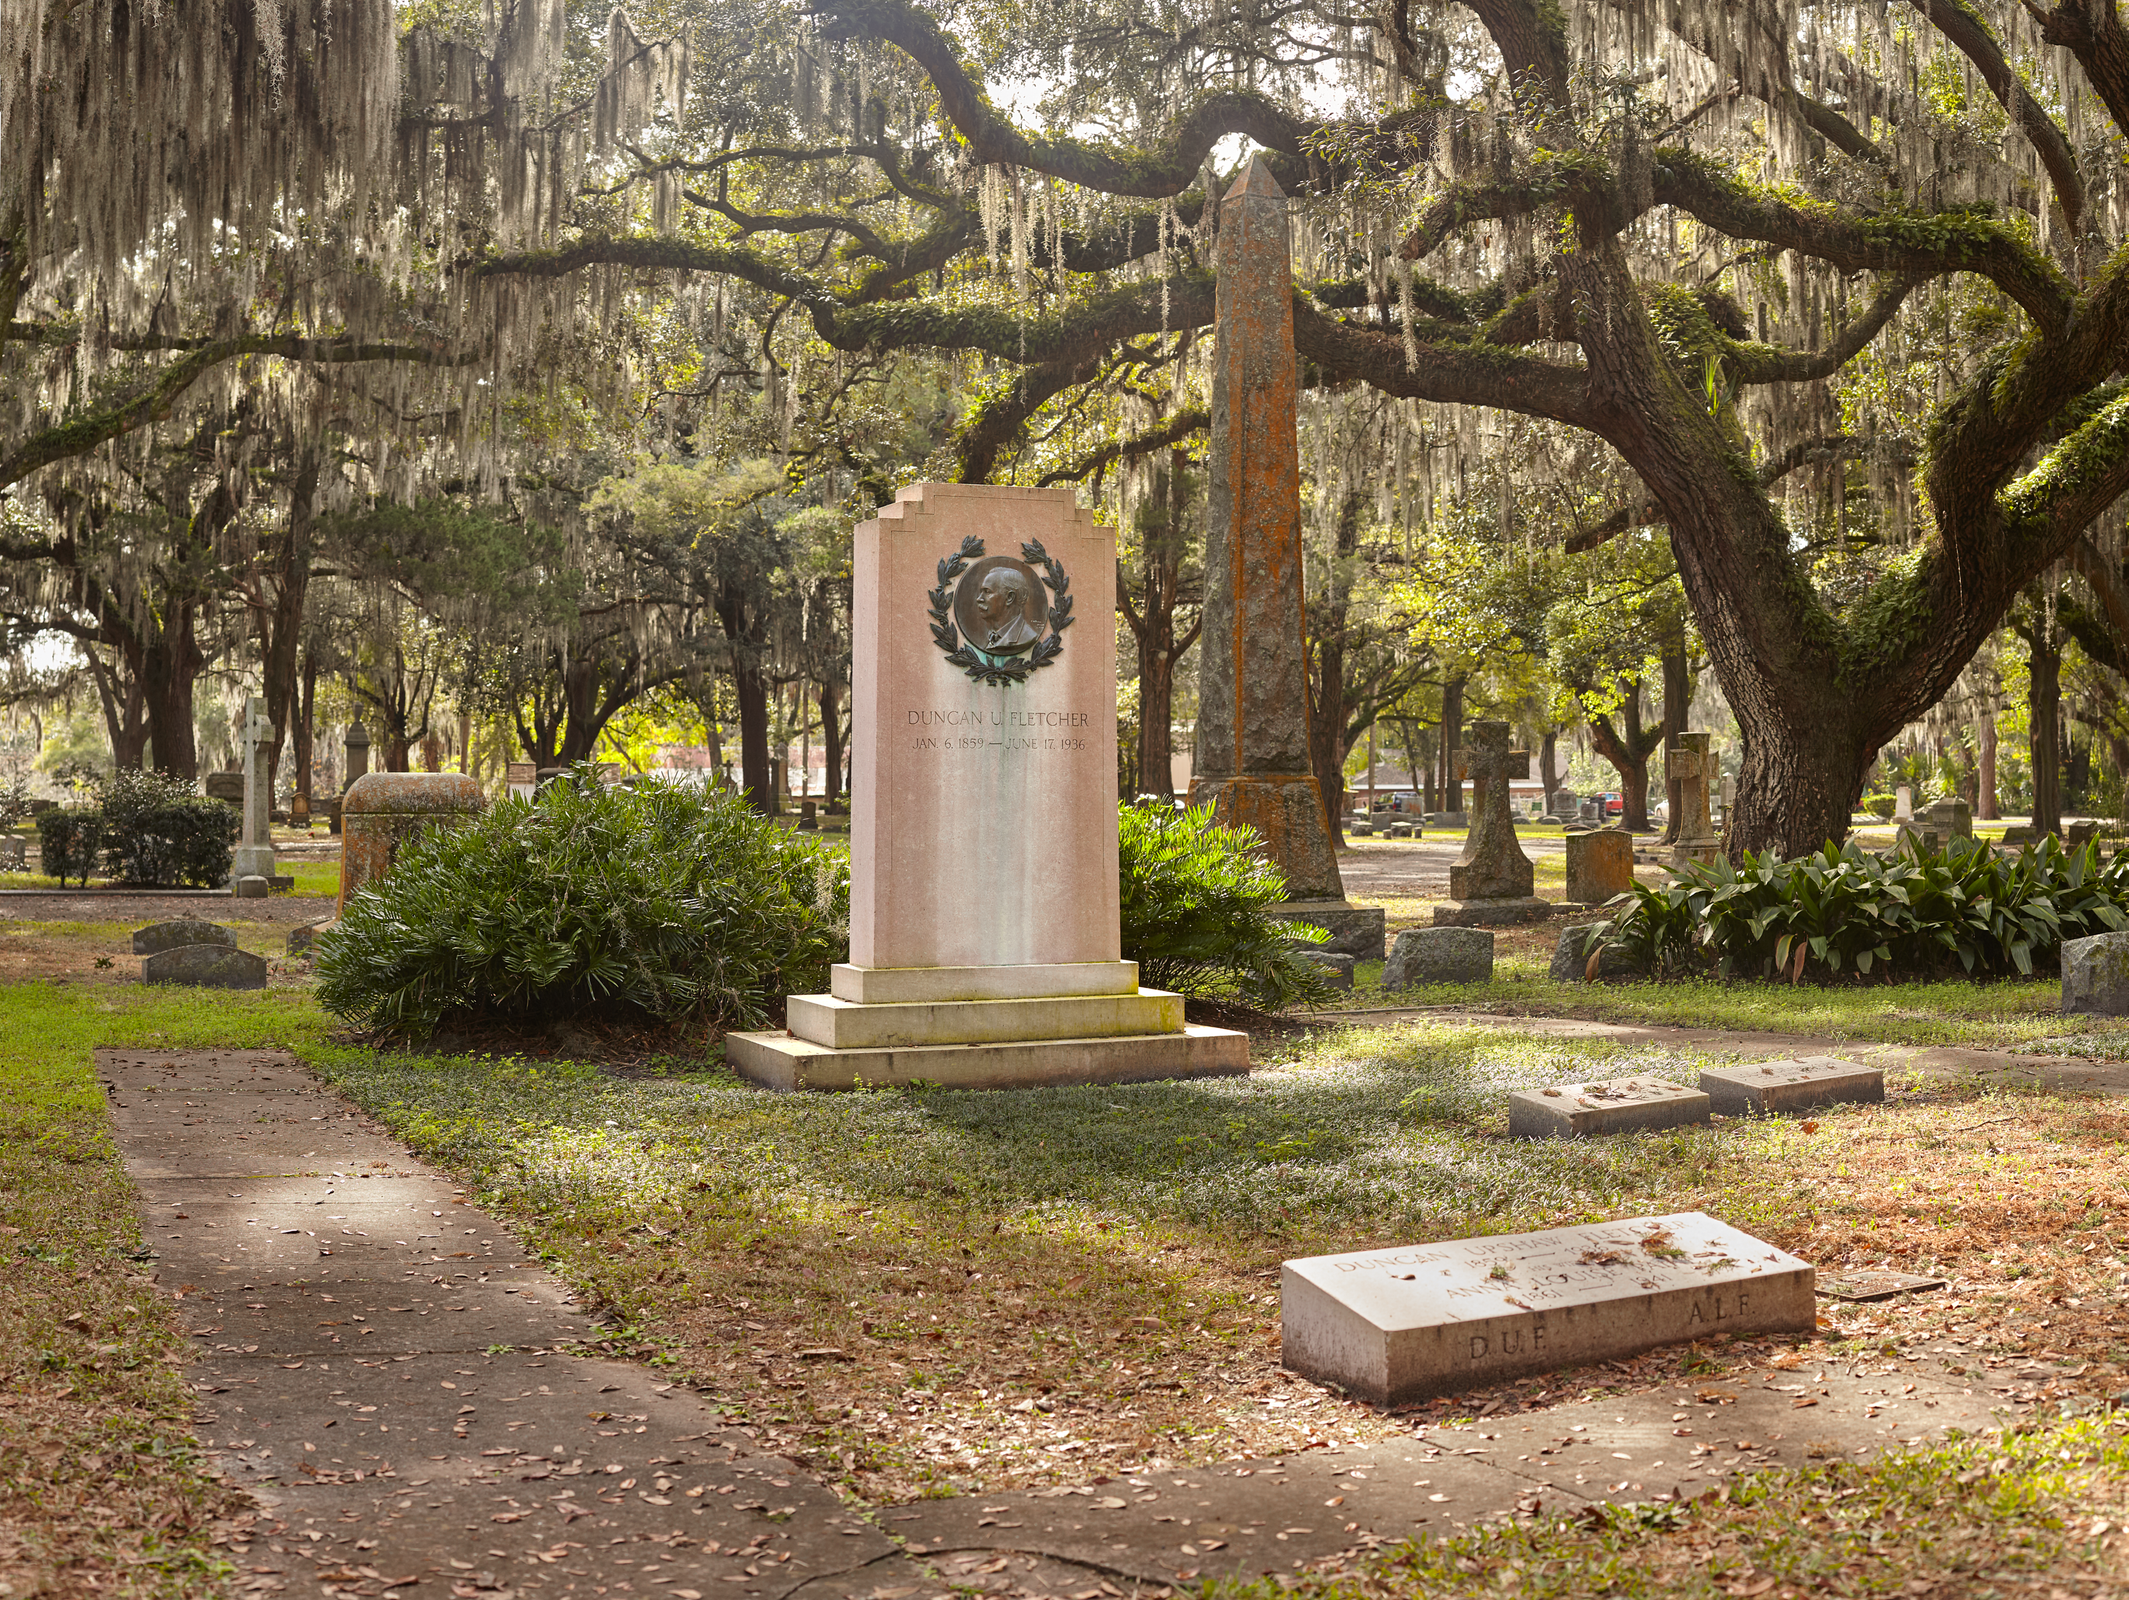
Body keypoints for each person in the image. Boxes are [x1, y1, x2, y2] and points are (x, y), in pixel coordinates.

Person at [971, 565, 1041, 653]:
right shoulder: (991, 635)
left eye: (987, 592)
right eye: (981, 592)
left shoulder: (1027, 637)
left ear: (1009, 598)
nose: (979, 599)